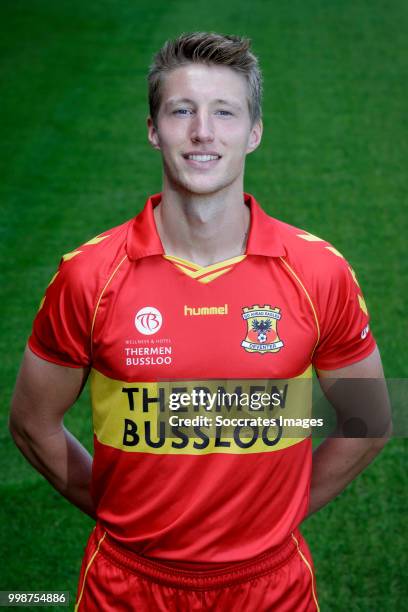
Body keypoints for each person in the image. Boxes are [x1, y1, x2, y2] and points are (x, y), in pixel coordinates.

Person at [9, 32, 391, 611]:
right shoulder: (89, 276)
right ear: (152, 128)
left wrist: (283, 512)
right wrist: (120, 512)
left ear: (254, 132)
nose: (203, 132)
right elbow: (32, 422)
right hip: (126, 585)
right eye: (181, 110)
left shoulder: (318, 272)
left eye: (225, 112)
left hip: (271, 587)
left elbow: (370, 418)